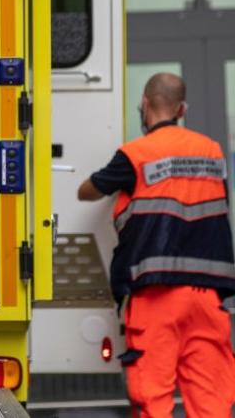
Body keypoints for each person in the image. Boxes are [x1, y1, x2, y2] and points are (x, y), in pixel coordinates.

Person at [78, 72, 235, 418]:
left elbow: (88, 190)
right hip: (207, 298)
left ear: (145, 104)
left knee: (153, 400)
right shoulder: (211, 152)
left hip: (156, 298)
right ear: (182, 108)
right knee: (212, 403)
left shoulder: (136, 154)